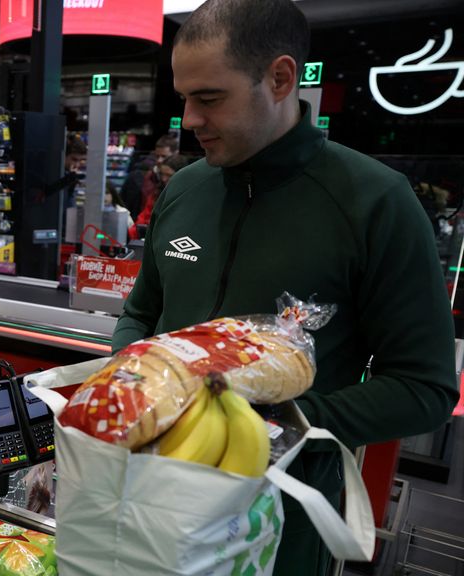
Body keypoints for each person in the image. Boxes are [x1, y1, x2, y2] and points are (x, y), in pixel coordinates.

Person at [111, 1, 458, 574]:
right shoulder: (184, 190)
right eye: (184, 99)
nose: (189, 120)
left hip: (283, 522)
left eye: (210, 98)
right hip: (152, 497)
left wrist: (282, 424)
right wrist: (129, 373)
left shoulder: (375, 202)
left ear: (279, 78)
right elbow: (142, 311)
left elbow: (423, 388)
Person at [129, 154, 189, 239]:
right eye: (162, 174)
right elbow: (143, 218)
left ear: (181, 175)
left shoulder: (189, 197)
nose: (164, 179)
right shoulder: (157, 193)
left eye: (169, 175)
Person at [121, 134, 178, 216]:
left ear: (175, 154)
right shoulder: (140, 175)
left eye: (164, 156)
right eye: (157, 156)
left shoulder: (181, 178)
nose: (159, 160)